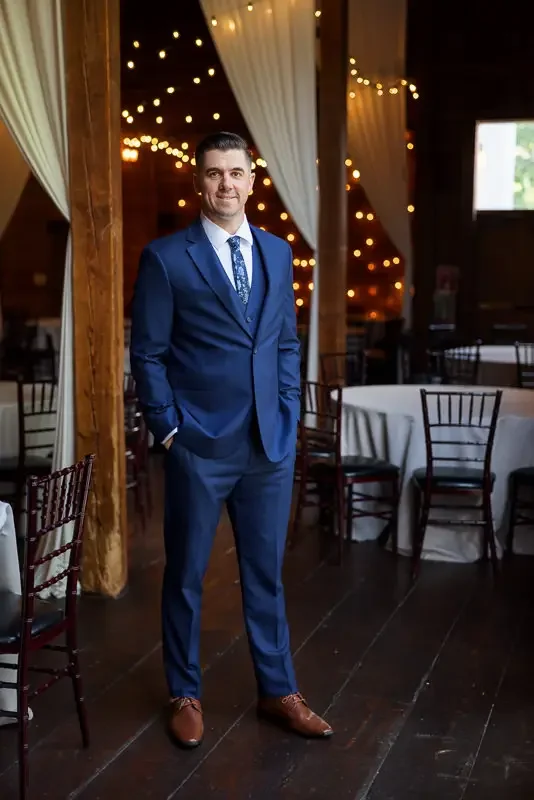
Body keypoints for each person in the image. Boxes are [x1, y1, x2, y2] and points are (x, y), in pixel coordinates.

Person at [130, 132, 333, 748]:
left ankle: (278, 690)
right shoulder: (166, 257)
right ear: (200, 182)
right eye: (214, 174)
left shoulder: (276, 253)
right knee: (187, 574)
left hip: (268, 445)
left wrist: (288, 414)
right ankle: (185, 692)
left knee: (265, 574)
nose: (226, 184)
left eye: (236, 173)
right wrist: (169, 431)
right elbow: (148, 353)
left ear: (252, 180)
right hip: (198, 445)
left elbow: (285, 343)